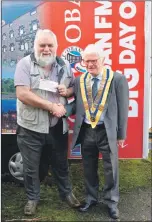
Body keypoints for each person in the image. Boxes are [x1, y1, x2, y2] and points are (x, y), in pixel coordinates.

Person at [14, 29, 80, 215]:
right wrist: (51, 106)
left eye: (50, 45)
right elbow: (22, 94)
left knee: (61, 163)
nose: (46, 49)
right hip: (30, 127)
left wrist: (66, 92)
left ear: (56, 47)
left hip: (58, 127)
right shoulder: (24, 65)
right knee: (31, 167)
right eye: (42, 45)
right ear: (35, 46)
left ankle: (67, 194)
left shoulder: (65, 65)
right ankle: (33, 199)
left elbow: (73, 88)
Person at [65, 44, 129, 219]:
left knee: (111, 169)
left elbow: (123, 109)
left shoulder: (117, 79)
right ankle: (91, 199)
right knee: (88, 167)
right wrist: (63, 109)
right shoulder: (80, 80)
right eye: (87, 61)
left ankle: (112, 202)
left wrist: (121, 134)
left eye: (94, 60)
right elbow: (77, 105)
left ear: (103, 60)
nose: (90, 64)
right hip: (87, 131)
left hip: (106, 131)